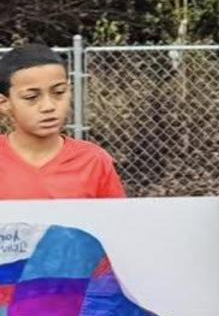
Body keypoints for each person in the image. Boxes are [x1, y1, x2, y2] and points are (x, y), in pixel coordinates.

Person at [0, 42, 126, 199]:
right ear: (4, 103)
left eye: (59, 92)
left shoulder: (93, 161)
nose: (48, 106)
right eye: (31, 97)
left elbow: (115, 214)